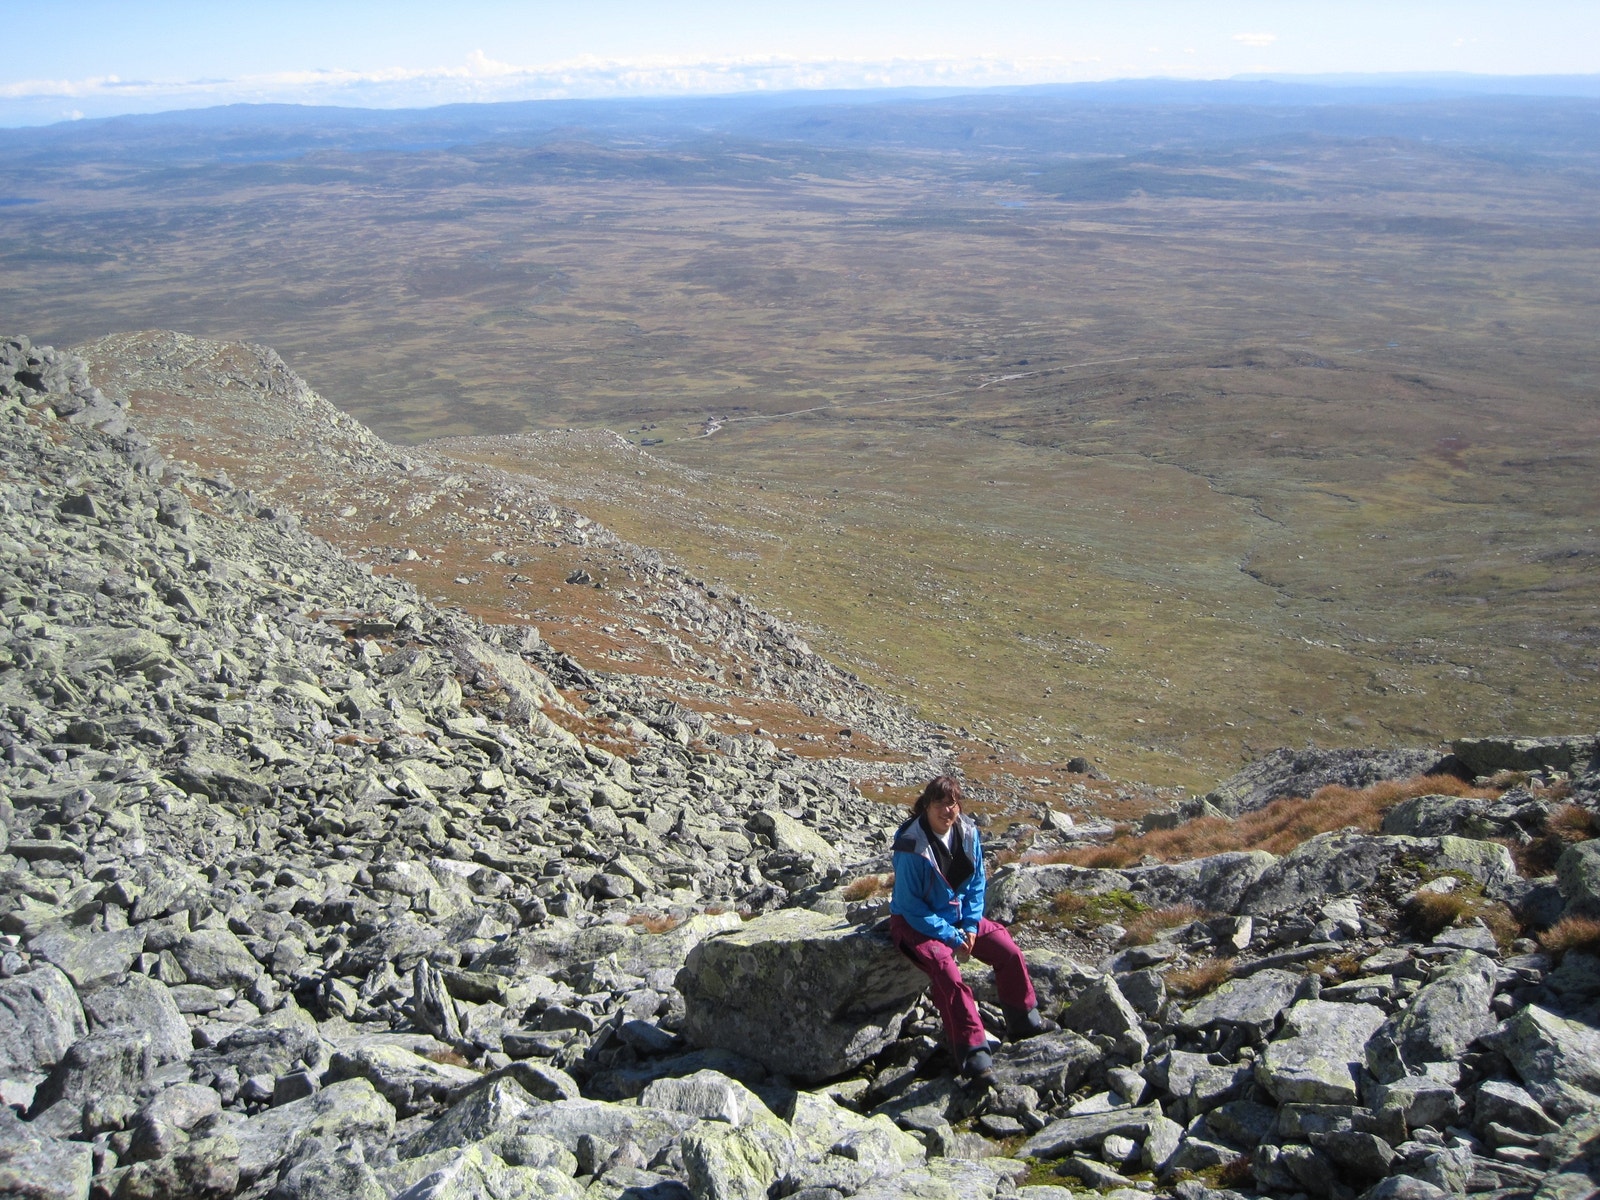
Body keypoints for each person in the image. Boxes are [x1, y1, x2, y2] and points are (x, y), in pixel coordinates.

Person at [889, 775, 1049, 1088]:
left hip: (960, 919)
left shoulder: (968, 832)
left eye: (952, 803)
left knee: (1008, 950)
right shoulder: (911, 845)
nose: (947, 810)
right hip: (914, 925)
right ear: (926, 806)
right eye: (939, 804)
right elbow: (910, 906)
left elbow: (977, 884)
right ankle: (973, 1055)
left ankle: (1024, 1021)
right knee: (948, 975)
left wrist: (971, 925)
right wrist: (952, 936)